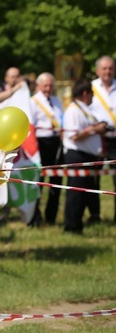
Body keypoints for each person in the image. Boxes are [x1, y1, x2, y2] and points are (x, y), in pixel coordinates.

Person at [63, 79, 107, 234]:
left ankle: (78, 223)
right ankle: (71, 226)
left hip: (87, 155)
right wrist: (94, 129)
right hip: (77, 155)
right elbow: (74, 136)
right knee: (75, 193)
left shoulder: (83, 109)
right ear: (85, 93)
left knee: (82, 193)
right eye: (92, 94)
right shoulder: (73, 110)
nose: (93, 98)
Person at [30, 72, 64, 225]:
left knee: (56, 180)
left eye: (51, 85)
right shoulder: (33, 102)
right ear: (38, 86)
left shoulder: (57, 101)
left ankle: (51, 216)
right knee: (39, 182)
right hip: (41, 144)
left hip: (56, 142)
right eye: (45, 85)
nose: (48, 88)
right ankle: (35, 217)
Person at [89, 55, 116, 220]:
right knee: (92, 178)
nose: (108, 71)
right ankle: (94, 215)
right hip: (96, 138)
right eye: (104, 68)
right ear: (98, 70)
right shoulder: (90, 88)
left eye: (111, 68)